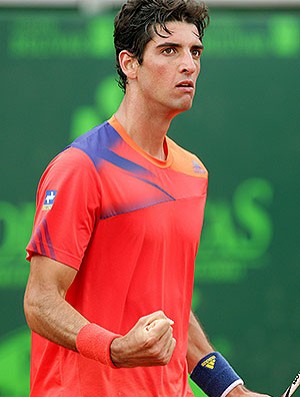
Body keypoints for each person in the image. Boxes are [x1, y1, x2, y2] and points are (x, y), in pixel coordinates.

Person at [24, 1, 270, 396]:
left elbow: (171, 306)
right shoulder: (81, 167)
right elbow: (39, 301)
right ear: (129, 64)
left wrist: (230, 389)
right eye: (169, 50)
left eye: (195, 51)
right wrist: (116, 349)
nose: (188, 64)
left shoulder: (193, 173)